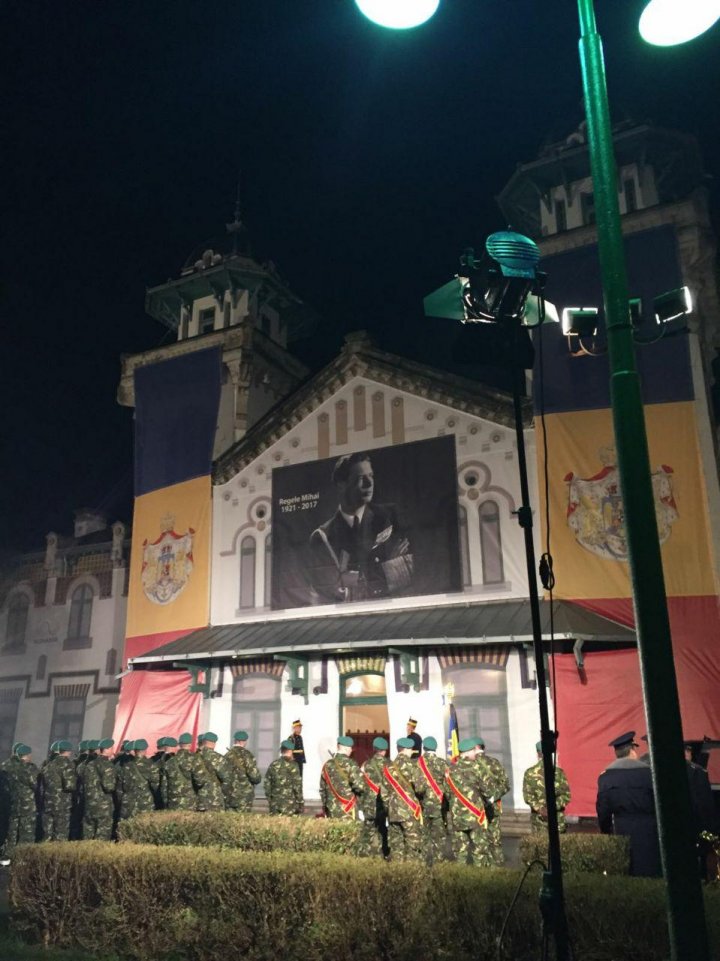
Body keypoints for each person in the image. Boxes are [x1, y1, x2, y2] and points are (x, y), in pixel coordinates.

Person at [308, 452, 413, 604]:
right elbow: (335, 593)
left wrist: (353, 578)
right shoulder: (322, 537)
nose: (369, 483)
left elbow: (410, 571)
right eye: (360, 478)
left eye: (371, 476)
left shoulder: (390, 516)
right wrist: (390, 566)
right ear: (341, 484)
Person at [596, 730, 661, 877]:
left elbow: (603, 809)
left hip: (621, 828)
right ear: (632, 750)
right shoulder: (649, 773)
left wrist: (606, 831)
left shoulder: (606, 777)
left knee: (627, 870)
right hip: (650, 829)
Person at [446, 737, 494, 867]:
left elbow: (446, 792)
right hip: (476, 816)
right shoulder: (478, 767)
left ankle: (462, 882)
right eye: (473, 751)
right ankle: (479, 882)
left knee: (460, 854)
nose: (475, 753)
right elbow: (488, 791)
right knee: (480, 852)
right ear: (466, 752)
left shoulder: (449, 770)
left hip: (457, 817)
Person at [381, 737, 425, 862]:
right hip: (409, 811)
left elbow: (384, 794)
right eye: (411, 749)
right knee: (413, 845)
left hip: (393, 812)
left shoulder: (387, 767)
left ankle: (398, 874)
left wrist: (389, 808)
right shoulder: (412, 765)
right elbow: (420, 788)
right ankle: (411, 874)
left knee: (396, 846)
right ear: (406, 749)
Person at [523, 741, 571, 835]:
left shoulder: (529, 773)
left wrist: (540, 809)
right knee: (559, 848)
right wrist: (552, 807)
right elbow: (566, 796)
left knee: (542, 847)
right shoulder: (559, 773)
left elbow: (528, 797)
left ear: (538, 753)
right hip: (557, 820)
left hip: (539, 820)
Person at [476, 737, 510, 866]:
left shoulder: (470, 764)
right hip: (494, 806)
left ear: (475, 748)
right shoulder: (494, 762)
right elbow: (506, 785)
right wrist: (492, 798)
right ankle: (498, 866)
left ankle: (484, 868)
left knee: (480, 839)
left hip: (475, 808)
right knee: (495, 839)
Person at [417, 736, 450, 864]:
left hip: (423, 806)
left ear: (423, 747)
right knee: (439, 837)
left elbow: (417, 787)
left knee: (423, 837)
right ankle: (439, 864)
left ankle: (422, 864)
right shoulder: (443, 763)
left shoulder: (418, 763)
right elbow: (448, 785)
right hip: (439, 806)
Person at [3, 744, 38, 861]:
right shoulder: (29, 768)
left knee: (11, 832)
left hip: (12, 803)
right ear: (27, 755)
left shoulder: (6, 766)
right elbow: (35, 784)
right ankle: (23, 859)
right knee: (26, 833)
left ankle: (7, 857)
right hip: (26, 805)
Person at [320, 735, 365, 819]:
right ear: (347, 749)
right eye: (351, 748)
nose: (351, 750)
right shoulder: (351, 764)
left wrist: (325, 807)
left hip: (331, 810)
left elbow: (322, 789)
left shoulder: (327, 765)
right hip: (348, 809)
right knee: (350, 832)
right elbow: (360, 786)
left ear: (338, 747)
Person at [358, 736, 389, 857]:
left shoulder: (365, 765)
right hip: (383, 803)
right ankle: (384, 854)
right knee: (383, 830)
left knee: (368, 831)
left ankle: (366, 856)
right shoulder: (389, 765)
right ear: (385, 750)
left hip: (369, 804)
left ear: (374, 749)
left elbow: (360, 784)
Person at [40, 741, 76, 842]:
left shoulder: (49, 764)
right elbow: (70, 785)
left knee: (47, 834)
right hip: (62, 804)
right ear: (68, 752)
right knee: (61, 834)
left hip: (48, 802)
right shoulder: (67, 764)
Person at [82, 738, 118, 840]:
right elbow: (109, 786)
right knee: (102, 837)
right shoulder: (108, 765)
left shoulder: (90, 764)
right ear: (107, 749)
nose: (112, 750)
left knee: (87, 835)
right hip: (103, 806)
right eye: (112, 748)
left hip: (89, 804)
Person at [220, 730, 262, 812]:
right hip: (244, 795)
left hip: (229, 794)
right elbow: (255, 776)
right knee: (243, 820)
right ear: (245, 741)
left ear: (235, 740)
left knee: (229, 820)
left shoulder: (227, 755)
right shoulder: (247, 755)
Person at [264, 740, 304, 815]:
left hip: (275, 804)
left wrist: (270, 799)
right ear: (290, 751)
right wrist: (300, 803)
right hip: (290, 805)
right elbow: (297, 786)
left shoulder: (274, 764)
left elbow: (267, 783)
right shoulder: (294, 766)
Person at [163, 733, 198, 811]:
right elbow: (201, 781)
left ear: (179, 744)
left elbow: (164, 786)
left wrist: (166, 803)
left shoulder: (169, 762)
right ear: (190, 744)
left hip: (173, 802)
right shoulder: (195, 759)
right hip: (191, 802)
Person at [193, 732, 225, 812]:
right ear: (214, 743)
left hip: (196, 799)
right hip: (215, 800)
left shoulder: (193, 757)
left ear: (203, 742)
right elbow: (226, 777)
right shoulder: (219, 758)